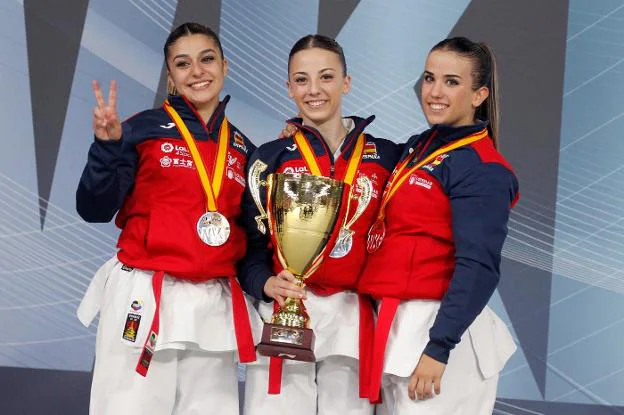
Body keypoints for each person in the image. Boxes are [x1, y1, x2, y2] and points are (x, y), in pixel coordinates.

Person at [75, 22, 262, 415]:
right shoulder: (140, 129)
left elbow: (250, 237)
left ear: (225, 66)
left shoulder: (244, 149)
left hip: (213, 303)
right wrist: (107, 149)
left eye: (207, 59)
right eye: (183, 64)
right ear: (171, 76)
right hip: (145, 294)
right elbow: (93, 208)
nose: (197, 72)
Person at [239, 34, 400, 415]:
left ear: (346, 82)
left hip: (351, 321)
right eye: (301, 79)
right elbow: (248, 246)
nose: (314, 90)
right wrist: (263, 282)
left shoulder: (386, 157)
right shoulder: (268, 160)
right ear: (288, 87)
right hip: (285, 314)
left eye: (326, 77)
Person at [358, 37, 519, 414]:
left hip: (443, 335)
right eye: (429, 78)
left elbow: (478, 266)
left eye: (451, 82)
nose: (434, 92)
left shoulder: (483, 168)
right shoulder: (421, 145)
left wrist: (439, 347)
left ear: (479, 95)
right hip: (400, 327)